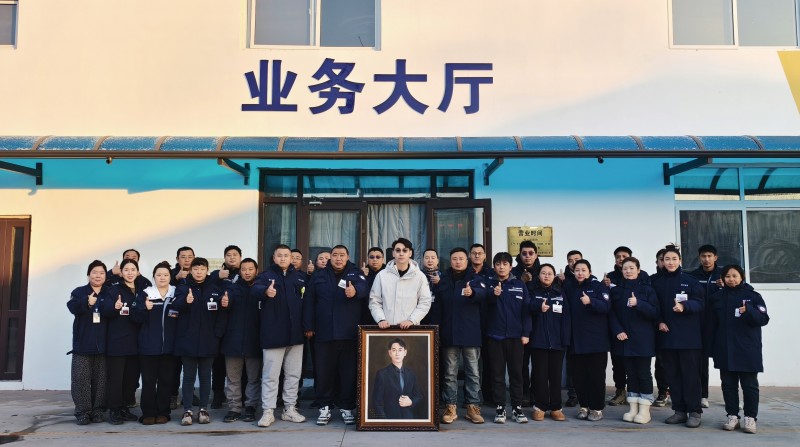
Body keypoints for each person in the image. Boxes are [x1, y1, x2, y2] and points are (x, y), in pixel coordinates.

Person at [302, 245, 368, 426]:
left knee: (348, 373)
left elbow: (366, 288)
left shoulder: (355, 273)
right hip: (324, 333)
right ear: (330, 257)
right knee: (324, 373)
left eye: (342, 255)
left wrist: (356, 291)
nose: (338, 258)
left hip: (349, 334)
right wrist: (308, 325)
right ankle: (324, 407)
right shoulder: (319, 275)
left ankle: (347, 407)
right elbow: (309, 300)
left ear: (348, 257)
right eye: (335, 255)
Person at [706, 265, 769, 434]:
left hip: (747, 349)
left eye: (735, 276)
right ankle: (732, 416)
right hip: (724, 348)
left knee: (750, 386)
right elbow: (711, 325)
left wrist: (749, 311)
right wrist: (710, 349)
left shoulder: (753, 296)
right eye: (727, 276)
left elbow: (763, 319)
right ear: (723, 278)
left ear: (742, 277)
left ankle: (750, 418)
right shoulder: (717, 297)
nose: (731, 279)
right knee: (728, 385)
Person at [253, 244, 307, 428]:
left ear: (292, 258)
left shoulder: (299, 277)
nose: (283, 258)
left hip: (295, 334)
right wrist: (265, 292)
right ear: (274, 258)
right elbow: (254, 290)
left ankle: (289, 409)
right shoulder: (265, 276)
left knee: (293, 374)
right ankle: (268, 411)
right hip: (273, 334)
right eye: (280, 255)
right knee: (271, 375)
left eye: (286, 255)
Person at [652, 245, 705, 428]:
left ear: (680, 261)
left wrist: (685, 306)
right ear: (662, 262)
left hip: (688, 338)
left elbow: (700, 303)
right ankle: (679, 411)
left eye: (674, 259)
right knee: (672, 376)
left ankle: (695, 412)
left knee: (690, 376)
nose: (671, 262)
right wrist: (659, 321)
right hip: (667, 337)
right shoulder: (657, 283)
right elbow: (654, 307)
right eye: (667, 259)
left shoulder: (690, 281)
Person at [172, 257, 228, 426]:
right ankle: (187, 410)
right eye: (195, 269)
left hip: (209, 340)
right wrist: (185, 302)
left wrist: (217, 335)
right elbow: (175, 307)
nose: (198, 272)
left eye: (202, 269)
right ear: (191, 270)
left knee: (205, 377)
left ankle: (203, 409)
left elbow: (221, 315)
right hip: (187, 340)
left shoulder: (215, 288)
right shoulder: (183, 287)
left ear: (207, 270)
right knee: (188, 377)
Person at [437, 247, 486, 424]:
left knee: (473, 372)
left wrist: (472, 293)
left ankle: (473, 406)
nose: (458, 262)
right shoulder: (443, 280)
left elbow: (484, 293)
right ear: (450, 261)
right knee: (450, 373)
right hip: (449, 333)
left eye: (461, 259)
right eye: (454, 259)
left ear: (467, 261)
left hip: (470, 333)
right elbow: (437, 308)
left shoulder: (475, 279)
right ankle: (450, 406)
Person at [609, 257, 659, 424]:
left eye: (631, 268)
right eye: (625, 268)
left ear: (638, 270)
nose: (628, 271)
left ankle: (644, 410)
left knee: (643, 373)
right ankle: (633, 408)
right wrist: (618, 330)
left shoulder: (647, 289)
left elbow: (655, 312)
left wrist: (639, 304)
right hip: (624, 339)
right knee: (630, 374)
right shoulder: (616, 291)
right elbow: (611, 313)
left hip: (643, 338)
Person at [486, 252, 531, 424]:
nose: (501, 267)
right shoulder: (488, 283)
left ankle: (517, 408)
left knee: (516, 374)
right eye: (498, 264)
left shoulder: (519, 285)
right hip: (495, 337)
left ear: (511, 267)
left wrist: (526, 333)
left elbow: (526, 311)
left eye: (505, 264)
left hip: (516, 338)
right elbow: (482, 305)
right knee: (497, 375)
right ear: (494, 266)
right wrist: (493, 295)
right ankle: (500, 408)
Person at [563, 259, 610, 422]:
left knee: (596, 377)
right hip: (576, 341)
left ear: (589, 271)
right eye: (577, 270)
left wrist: (591, 302)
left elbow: (606, 307)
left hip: (596, 341)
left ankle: (597, 408)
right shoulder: (569, 287)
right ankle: (584, 405)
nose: (580, 273)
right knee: (578, 377)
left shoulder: (598, 286)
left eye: (583, 270)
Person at [132, 261, 178, 425]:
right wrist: (144, 308)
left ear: (170, 277)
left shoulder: (176, 293)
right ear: (154, 277)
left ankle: (163, 412)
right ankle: (148, 413)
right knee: (149, 382)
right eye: (159, 275)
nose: (162, 277)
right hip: (148, 347)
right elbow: (135, 318)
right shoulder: (146, 294)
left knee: (166, 381)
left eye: (165, 275)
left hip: (169, 348)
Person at [67, 260, 111, 425]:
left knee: (101, 382)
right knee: (80, 380)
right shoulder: (79, 292)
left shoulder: (110, 292)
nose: (98, 275)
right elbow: (71, 307)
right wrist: (86, 302)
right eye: (94, 272)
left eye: (102, 273)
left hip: (104, 346)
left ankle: (98, 410)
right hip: (83, 345)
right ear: (88, 275)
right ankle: (83, 412)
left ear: (106, 276)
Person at [220, 258, 262, 423]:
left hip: (254, 340)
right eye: (244, 269)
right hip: (233, 340)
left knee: (253, 378)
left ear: (256, 271)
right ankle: (234, 408)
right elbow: (225, 301)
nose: (247, 272)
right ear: (240, 271)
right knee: (233, 378)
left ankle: (251, 407)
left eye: (250, 269)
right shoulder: (232, 288)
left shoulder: (261, 289)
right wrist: (225, 303)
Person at [103, 258, 144, 425]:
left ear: (137, 272)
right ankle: (114, 409)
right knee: (116, 379)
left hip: (136, 343)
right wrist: (115, 307)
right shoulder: (114, 290)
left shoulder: (142, 290)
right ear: (121, 272)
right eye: (126, 269)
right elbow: (105, 311)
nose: (130, 273)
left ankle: (125, 408)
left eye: (133, 269)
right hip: (117, 342)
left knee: (130, 379)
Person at [528, 263, 570, 422]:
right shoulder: (533, 291)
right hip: (538, 341)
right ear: (538, 275)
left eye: (549, 273)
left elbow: (566, 317)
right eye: (543, 273)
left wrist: (565, 339)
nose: (546, 276)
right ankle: (540, 407)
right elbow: (526, 307)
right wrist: (538, 307)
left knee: (555, 375)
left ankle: (556, 408)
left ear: (554, 276)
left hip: (557, 342)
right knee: (539, 375)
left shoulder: (560, 293)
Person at [369, 238, 432, 329]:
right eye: (398, 250)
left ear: (410, 253)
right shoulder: (381, 275)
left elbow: (425, 302)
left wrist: (412, 320)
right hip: (386, 329)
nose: (401, 253)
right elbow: (374, 301)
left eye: (405, 250)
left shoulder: (419, 276)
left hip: (411, 329)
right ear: (393, 253)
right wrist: (381, 319)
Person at [689, 244, 724, 409]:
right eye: (703, 256)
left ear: (715, 257)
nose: (706, 259)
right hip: (699, 323)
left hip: (720, 323)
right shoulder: (693, 276)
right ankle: (703, 395)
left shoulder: (724, 275)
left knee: (725, 361)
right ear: (699, 258)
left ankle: (730, 397)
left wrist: (724, 286)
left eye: (710, 256)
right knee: (701, 362)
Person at [209, 245, 243, 409]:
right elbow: (207, 285)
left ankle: (241, 395)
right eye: (228, 255)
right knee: (218, 363)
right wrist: (216, 276)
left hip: (238, 324)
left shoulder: (245, 273)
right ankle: (218, 394)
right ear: (224, 257)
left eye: (235, 255)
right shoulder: (217, 275)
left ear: (240, 257)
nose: (232, 257)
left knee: (240, 362)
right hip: (219, 324)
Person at [513, 241, 541, 407]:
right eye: (524, 253)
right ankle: (523, 393)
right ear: (520, 255)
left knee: (538, 362)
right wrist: (521, 281)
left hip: (539, 323)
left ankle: (536, 393)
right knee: (521, 362)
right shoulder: (514, 272)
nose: (527, 256)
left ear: (536, 255)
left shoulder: (543, 271)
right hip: (520, 323)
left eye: (531, 253)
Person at [169, 246, 195, 409]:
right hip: (173, 325)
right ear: (177, 259)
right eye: (183, 257)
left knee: (190, 365)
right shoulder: (170, 274)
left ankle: (189, 395)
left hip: (191, 326)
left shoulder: (198, 274)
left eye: (189, 256)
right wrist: (175, 278)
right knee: (174, 366)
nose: (186, 260)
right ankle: (172, 395)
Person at [372, 338, 424, 419]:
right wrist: (384, 421)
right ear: (389, 353)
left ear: (405, 352)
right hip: (389, 419)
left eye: (400, 350)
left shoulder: (411, 373)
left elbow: (419, 396)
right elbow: (377, 402)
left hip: (409, 418)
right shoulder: (382, 374)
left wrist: (411, 402)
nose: (397, 354)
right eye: (394, 350)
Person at [560, 250, 582, 408]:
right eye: (570, 260)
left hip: (585, 329)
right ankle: (573, 394)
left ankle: (585, 393)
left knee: (586, 363)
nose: (573, 263)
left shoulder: (591, 280)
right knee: (571, 363)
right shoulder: (562, 280)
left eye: (576, 259)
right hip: (569, 327)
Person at [650, 247, 669, 406]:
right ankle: (663, 391)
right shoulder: (652, 280)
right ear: (656, 262)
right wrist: (659, 321)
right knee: (661, 361)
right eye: (662, 259)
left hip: (677, 325)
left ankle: (677, 391)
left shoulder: (684, 279)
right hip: (658, 325)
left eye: (668, 259)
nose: (665, 262)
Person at [360, 247, 386, 324]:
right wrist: (362, 277)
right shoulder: (362, 272)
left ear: (383, 259)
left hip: (385, 313)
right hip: (366, 313)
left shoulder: (389, 272)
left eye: (378, 257)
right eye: (371, 257)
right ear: (368, 259)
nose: (375, 259)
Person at [420, 248, 442, 325]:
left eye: (433, 258)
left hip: (438, 314)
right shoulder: (417, 276)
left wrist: (440, 283)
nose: (430, 260)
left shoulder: (445, 276)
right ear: (422, 260)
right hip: (421, 314)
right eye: (427, 258)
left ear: (437, 260)